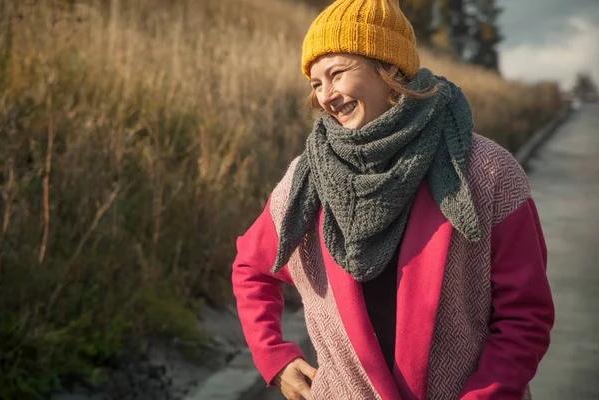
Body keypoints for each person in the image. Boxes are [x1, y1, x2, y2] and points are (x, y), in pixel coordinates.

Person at [231, 0, 555, 398]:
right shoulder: (305, 180)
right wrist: (274, 356)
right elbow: (251, 268)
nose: (325, 96)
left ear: (387, 69)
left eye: (337, 74)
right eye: (316, 83)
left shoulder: (488, 173)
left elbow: (525, 315)